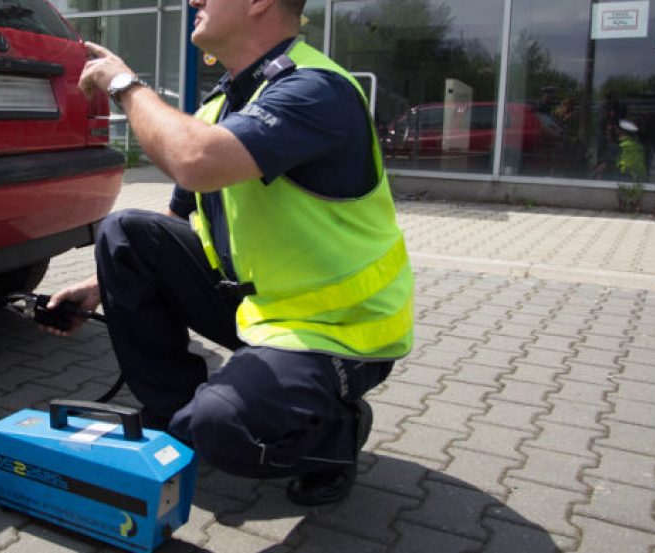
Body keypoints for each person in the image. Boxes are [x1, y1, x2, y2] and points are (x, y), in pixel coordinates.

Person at [48, 0, 413, 506]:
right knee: (125, 231)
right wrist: (97, 288)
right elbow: (178, 219)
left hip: (339, 330)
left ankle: (334, 434)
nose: (194, 0)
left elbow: (196, 162)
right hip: (262, 312)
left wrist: (124, 85)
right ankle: (173, 427)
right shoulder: (224, 106)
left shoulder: (315, 88)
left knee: (225, 426)